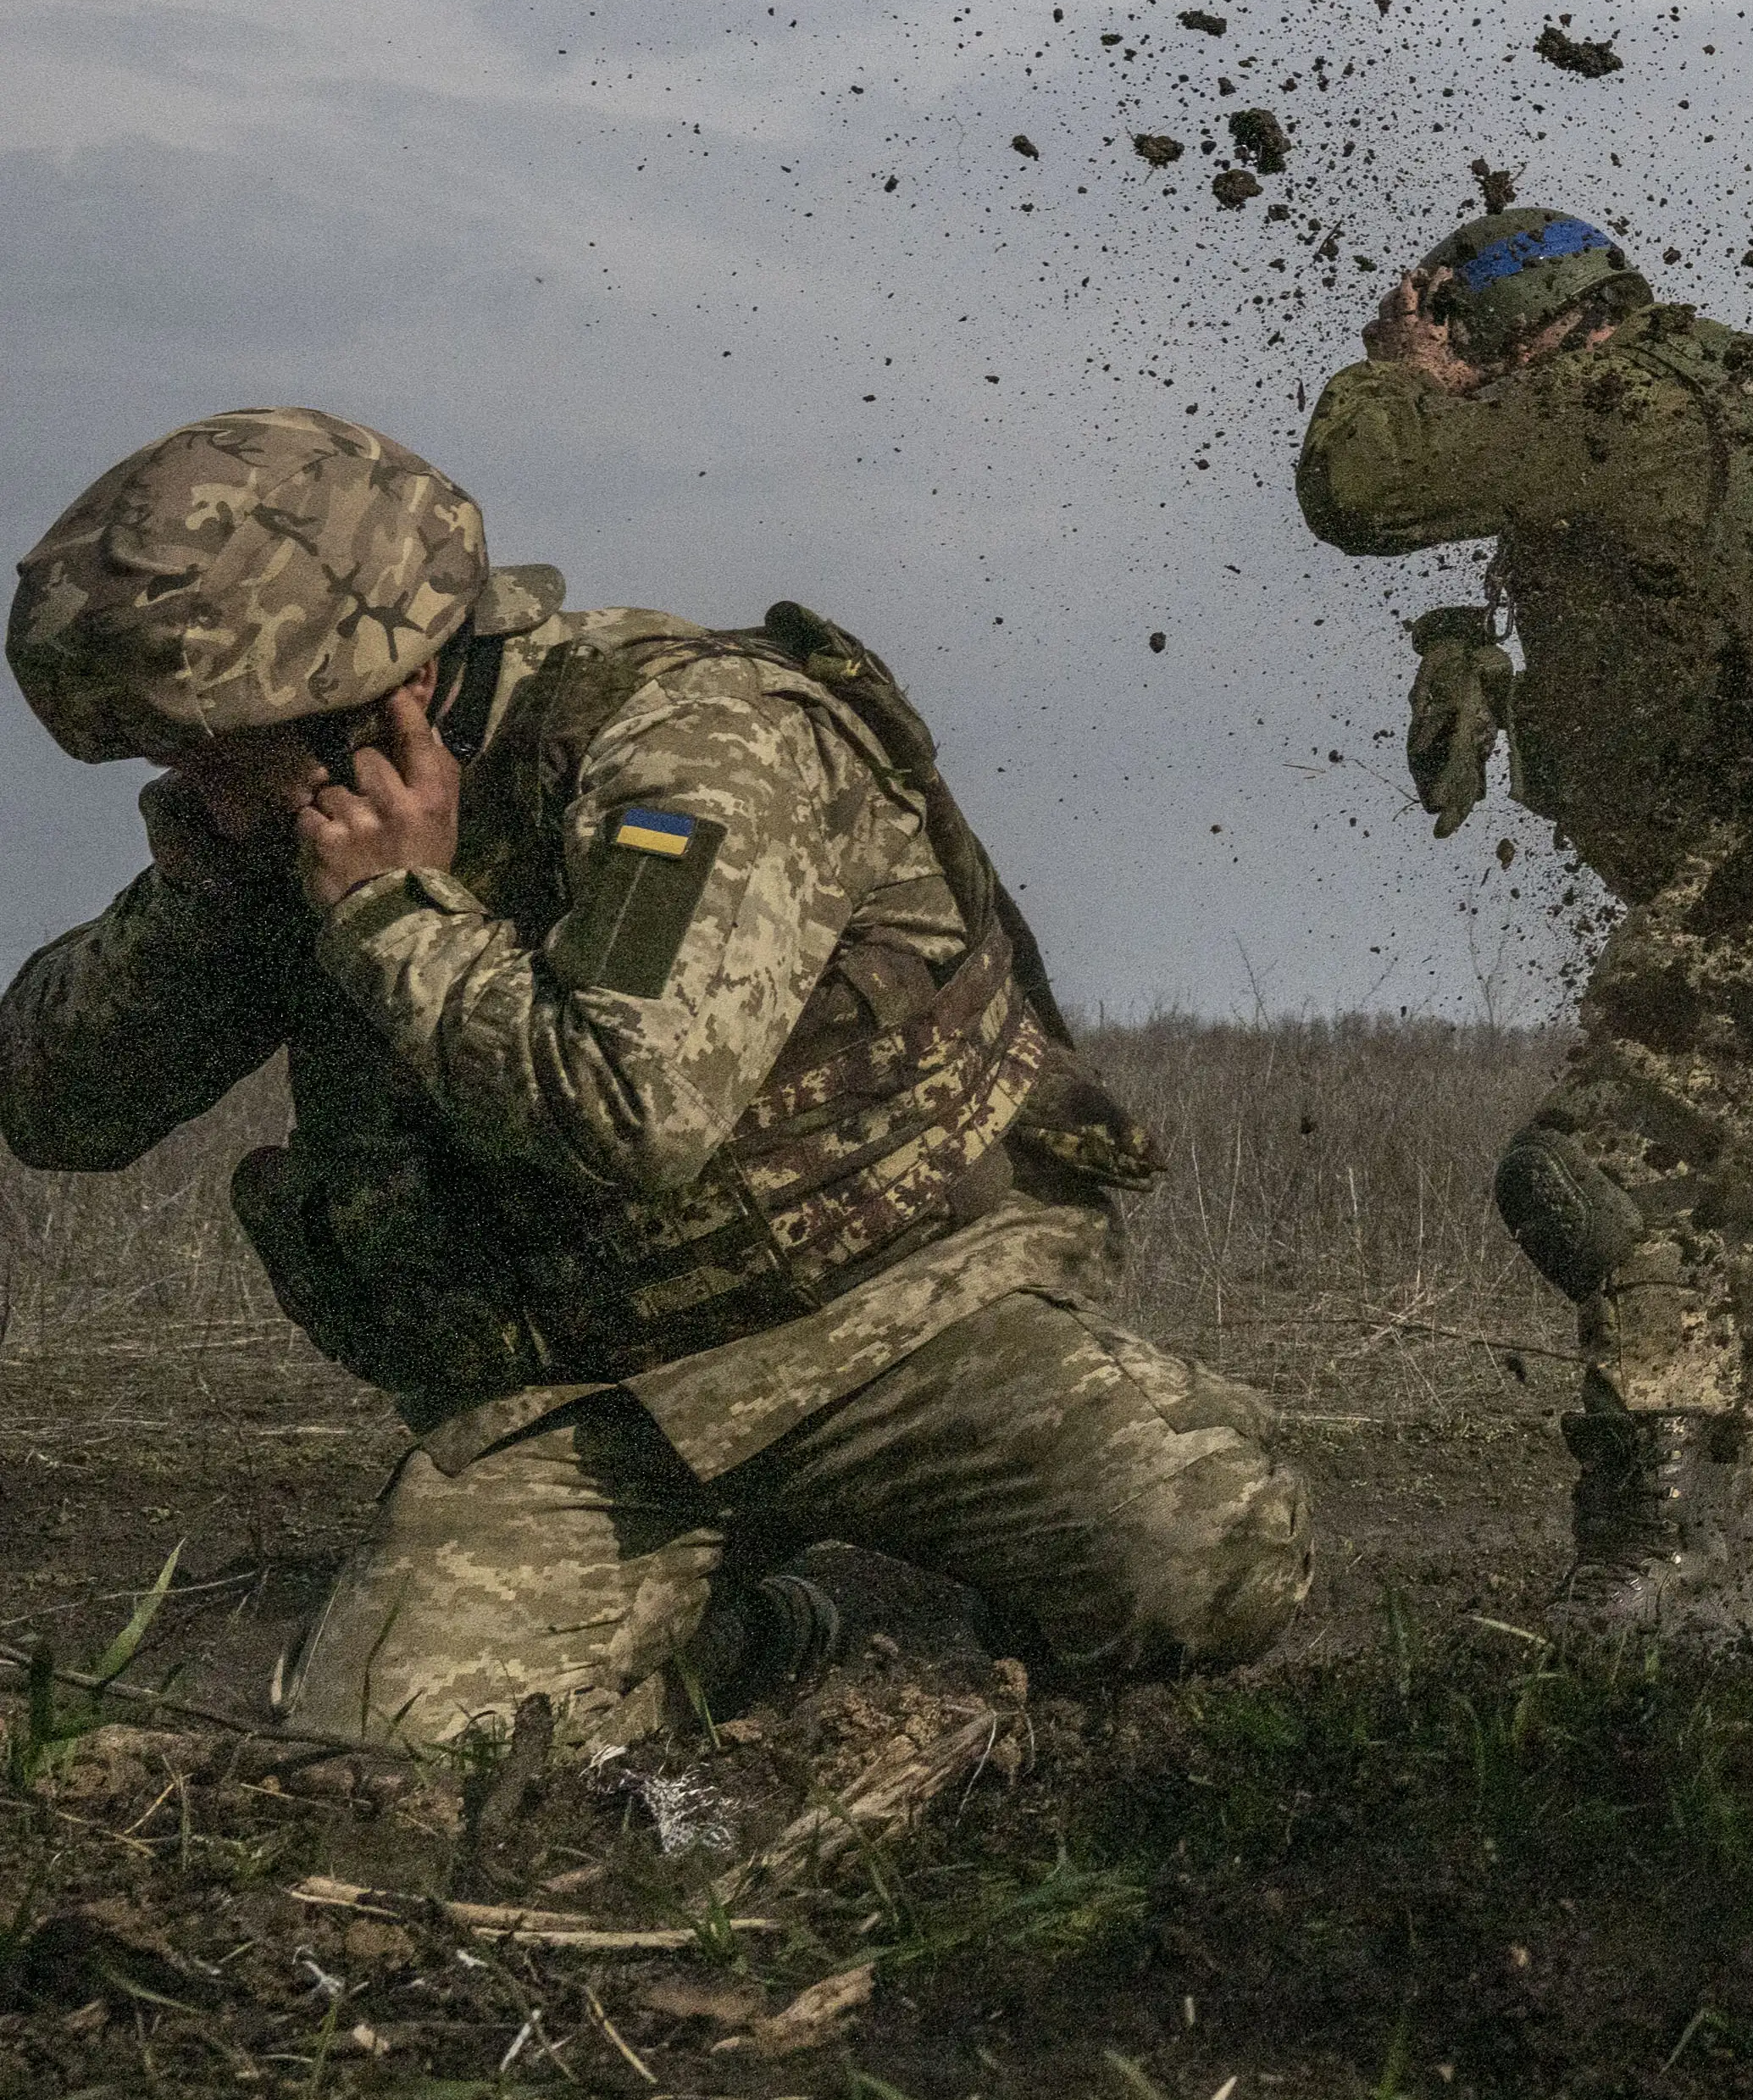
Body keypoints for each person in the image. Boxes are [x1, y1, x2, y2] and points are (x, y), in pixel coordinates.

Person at [0, 409, 1307, 1751]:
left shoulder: (694, 738)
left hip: (896, 1322)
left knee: (1208, 1555)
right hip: (590, 1402)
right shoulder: (298, 823)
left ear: (373, 689)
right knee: (405, 1745)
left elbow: (634, 1105)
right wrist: (221, 894)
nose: (198, 784)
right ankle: (769, 1630)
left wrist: (396, 915)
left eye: (218, 746)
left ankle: (915, 1600)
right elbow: (54, 1107)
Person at [1295, 198, 1753, 1626]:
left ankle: (1673, 1551)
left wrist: (1395, 370)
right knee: (1740, 1220)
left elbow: (1360, 489)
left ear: (1509, 321)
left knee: (1595, 1176)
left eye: (1465, 332)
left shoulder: (1612, 396)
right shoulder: (1728, 401)